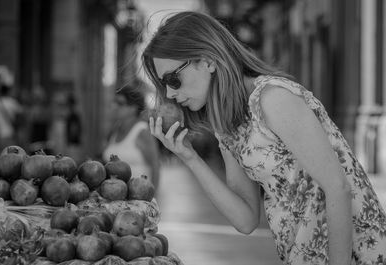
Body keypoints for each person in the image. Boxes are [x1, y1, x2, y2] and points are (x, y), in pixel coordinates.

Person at [143, 11, 386, 265]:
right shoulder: (229, 127)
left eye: (173, 79)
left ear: (207, 61)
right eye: (164, 85)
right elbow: (246, 220)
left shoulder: (272, 98)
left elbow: (338, 187)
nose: (169, 93)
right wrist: (189, 157)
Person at [102, 85, 160, 189]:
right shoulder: (114, 130)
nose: (114, 106)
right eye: (114, 102)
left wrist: (154, 197)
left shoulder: (142, 130)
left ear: (133, 108)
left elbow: (155, 165)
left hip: (140, 197)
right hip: (115, 198)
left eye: (120, 103)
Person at [0, 84, 24, 149]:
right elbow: (21, 114)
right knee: (12, 155)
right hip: (11, 133)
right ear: (8, 91)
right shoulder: (12, 102)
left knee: (1, 155)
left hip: (0, 133)